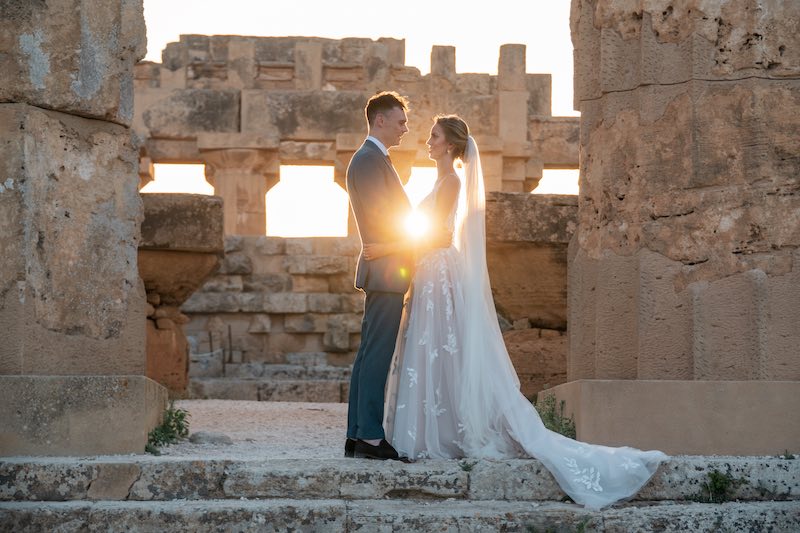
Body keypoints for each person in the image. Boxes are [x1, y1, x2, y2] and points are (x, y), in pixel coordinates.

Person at [366, 114, 668, 509]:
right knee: (436, 348)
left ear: (451, 145)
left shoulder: (452, 181)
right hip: (429, 269)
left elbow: (436, 234)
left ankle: (446, 432)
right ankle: (433, 429)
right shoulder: (441, 180)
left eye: (434, 136)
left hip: (438, 267)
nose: (427, 140)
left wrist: (387, 250)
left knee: (442, 346)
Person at [344, 91, 414, 460]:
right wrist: (418, 242)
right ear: (380, 120)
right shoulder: (370, 160)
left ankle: (358, 434)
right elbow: (381, 220)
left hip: (384, 268)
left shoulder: (373, 159)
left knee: (369, 351)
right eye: (401, 121)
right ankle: (370, 436)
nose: (406, 128)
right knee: (377, 353)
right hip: (386, 269)